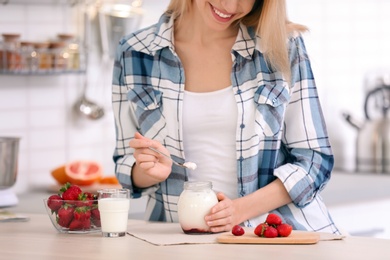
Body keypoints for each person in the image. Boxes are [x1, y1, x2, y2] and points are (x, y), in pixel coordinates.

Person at [111, 0, 340, 234]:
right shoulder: (134, 52)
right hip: (179, 240)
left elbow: (314, 160)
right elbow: (125, 165)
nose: (230, 6)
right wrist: (148, 170)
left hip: (275, 235)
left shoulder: (282, 45)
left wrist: (239, 210)